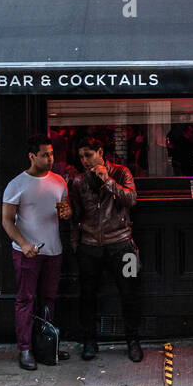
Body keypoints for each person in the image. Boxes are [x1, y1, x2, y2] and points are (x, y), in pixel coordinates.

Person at [68, 137, 143, 362]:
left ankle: (132, 340)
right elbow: (76, 215)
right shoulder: (79, 182)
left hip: (122, 243)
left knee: (129, 292)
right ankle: (89, 341)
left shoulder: (121, 173)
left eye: (88, 155)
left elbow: (131, 200)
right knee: (88, 295)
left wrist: (107, 180)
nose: (84, 161)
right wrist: (76, 244)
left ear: (100, 152)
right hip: (90, 246)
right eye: (81, 157)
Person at [1, 135, 70, 370]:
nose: (50, 158)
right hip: (27, 251)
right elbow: (7, 221)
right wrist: (23, 244)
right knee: (26, 299)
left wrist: (67, 214)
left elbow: (64, 210)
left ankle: (47, 344)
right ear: (32, 156)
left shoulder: (60, 181)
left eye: (51, 154)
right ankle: (25, 349)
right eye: (45, 155)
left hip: (53, 249)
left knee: (49, 299)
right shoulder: (16, 184)